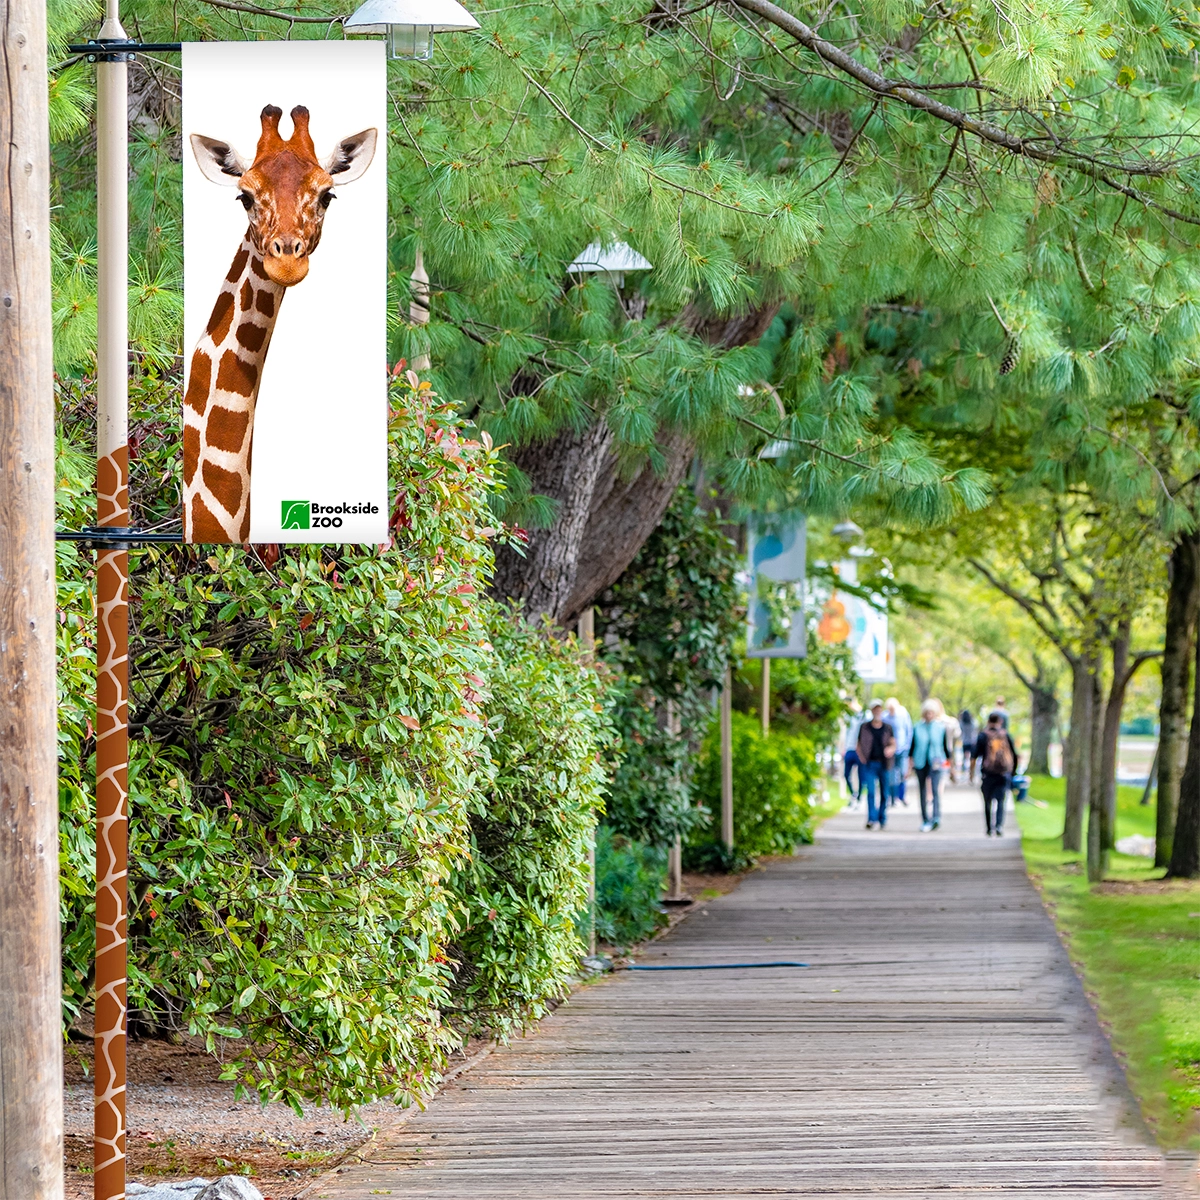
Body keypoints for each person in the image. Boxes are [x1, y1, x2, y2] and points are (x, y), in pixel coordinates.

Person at [974, 711, 1018, 836]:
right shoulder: (1006, 735)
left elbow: (975, 755)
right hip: (1003, 774)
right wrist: (1013, 772)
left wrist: (972, 773)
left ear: (988, 721)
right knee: (1001, 801)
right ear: (1001, 722)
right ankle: (998, 826)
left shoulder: (983, 736)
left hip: (988, 774)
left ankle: (989, 827)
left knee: (987, 801)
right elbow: (1014, 755)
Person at [910, 699, 951, 831]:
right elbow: (912, 747)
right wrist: (909, 764)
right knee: (922, 790)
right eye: (927, 713)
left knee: (935, 790)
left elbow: (945, 748)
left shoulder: (940, 728)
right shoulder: (917, 727)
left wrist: (950, 766)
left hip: (936, 762)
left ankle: (936, 817)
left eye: (931, 713)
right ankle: (925, 818)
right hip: (921, 762)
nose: (929, 716)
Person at [856, 700, 896, 830]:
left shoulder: (887, 728)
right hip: (870, 764)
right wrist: (862, 758)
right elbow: (858, 744)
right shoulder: (865, 727)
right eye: (875, 709)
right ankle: (871, 819)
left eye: (879, 709)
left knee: (885, 793)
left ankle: (882, 817)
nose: (877, 712)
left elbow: (893, 743)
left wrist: (890, 749)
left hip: (884, 764)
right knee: (871, 792)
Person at [885, 697, 913, 807]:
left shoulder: (903, 715)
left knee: (903, 773)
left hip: (902, 749)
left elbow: (909, 731)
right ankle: (893, 798)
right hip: (891, 751)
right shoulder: (885, 717)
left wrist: (908, 746)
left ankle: (902, 795)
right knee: (892, 776)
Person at [842, 701, 864, 807]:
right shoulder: (848, 717)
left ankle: (859, 797)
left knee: (861, 775)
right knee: (846, 774)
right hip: (849, 749)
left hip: (859, 750)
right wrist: (843, 748)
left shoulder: (863, 716)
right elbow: (846, 733)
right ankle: (853, 794)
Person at [959, 708, 977, 781]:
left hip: (964, 742)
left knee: (964, 758)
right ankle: (971, 774)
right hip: (972, 742)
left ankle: (963, 773)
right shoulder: (973, 722)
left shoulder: (962, 723)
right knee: (972, 759)